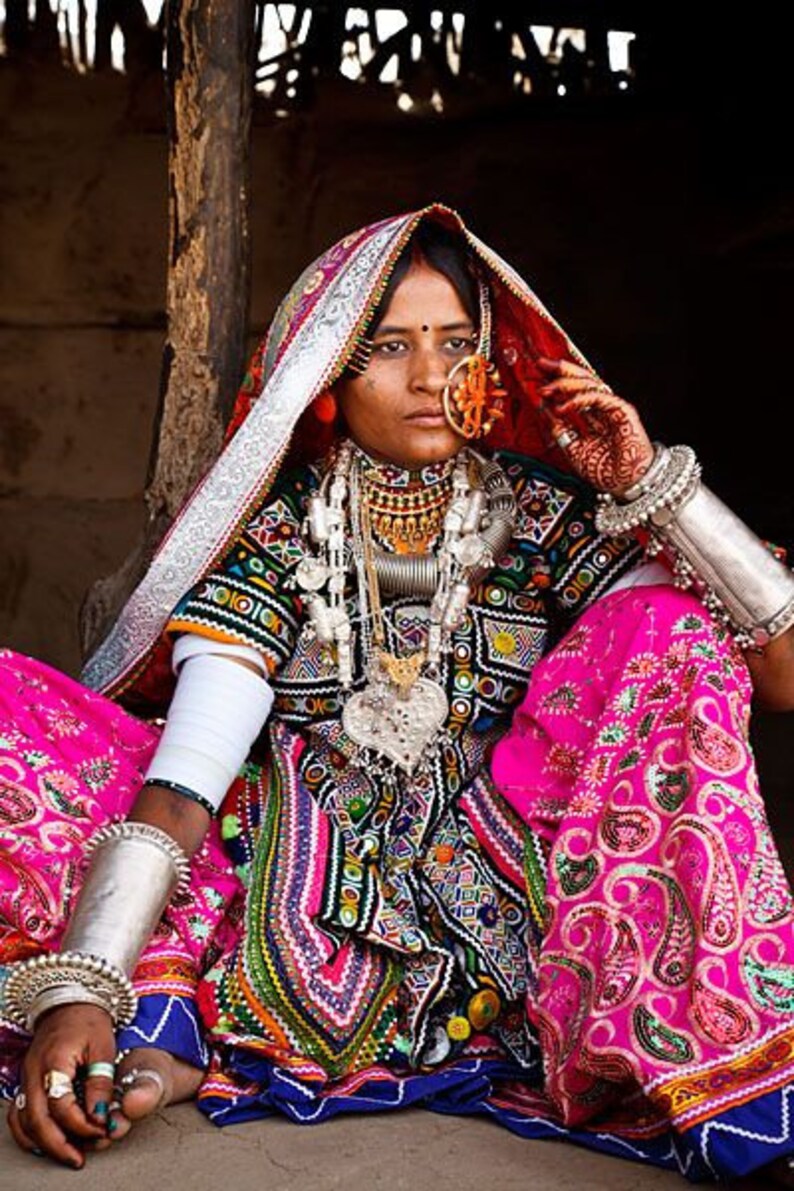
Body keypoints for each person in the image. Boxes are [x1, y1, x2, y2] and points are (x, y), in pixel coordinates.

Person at [1, 205, 794, 1185]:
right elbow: (188, 776)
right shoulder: (283, 528)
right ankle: (144, 1048)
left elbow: (777, 672)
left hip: (505, 887)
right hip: (281, 861)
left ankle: (707, 1065)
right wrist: (82, 987)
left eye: (456, 345)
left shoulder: (543, 515)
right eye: (388, 348)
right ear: (328, 376)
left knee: (667, 623)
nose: (430, 378)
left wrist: (650, 487)